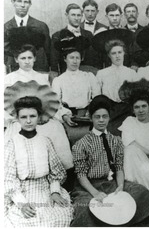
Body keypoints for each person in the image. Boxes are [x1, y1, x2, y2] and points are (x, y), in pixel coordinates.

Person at [71, 95, 149, 227]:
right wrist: (95, 193)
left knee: (140, 192)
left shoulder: (115, 141)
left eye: (105, 116)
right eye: (97, 117)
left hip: (112, 183)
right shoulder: (81, 144)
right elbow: (81, 175)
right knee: (85, 208)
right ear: (91, 118)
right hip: (89, 186)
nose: (101, 120)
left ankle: (123, 217)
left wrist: (120, 186)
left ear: (109, 118)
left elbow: (119, 168)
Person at [4, 27, 75, 190]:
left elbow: (51, 101)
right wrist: (10, 118)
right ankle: (22, 182)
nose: (27, 61)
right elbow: (4, 104)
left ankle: (66, 180)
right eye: (23, 58)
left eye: (30, 57)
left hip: (41, 119)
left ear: (35, 58)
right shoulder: (9, 79)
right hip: (18, 120)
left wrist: (63, 114)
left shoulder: (42, 78)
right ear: (16, 59)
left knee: (56, 129)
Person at [4, 96, 73, 227]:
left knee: (60, 216)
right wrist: (21, 203)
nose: (28, 121)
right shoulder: (12, 143)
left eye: (32, 116)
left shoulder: (45, 141)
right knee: (24, 221)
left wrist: (55, 192)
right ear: (17, 119)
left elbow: (56, 172)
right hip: (22, 192)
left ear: (39, 117)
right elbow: (8, 178)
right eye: (24, 117)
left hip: (45, 189)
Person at [52, 32, 101, 145]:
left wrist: (90, 112)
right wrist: (64, 116)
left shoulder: (89, 77)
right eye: (71, 58)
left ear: (81, 59)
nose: (75, 61)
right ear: (65, 59)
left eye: (77, 58)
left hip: (88, 117)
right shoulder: (58, 80)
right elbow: (55, 103)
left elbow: (97, 98)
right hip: (68, 119)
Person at [92, 29, 137, 135]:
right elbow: (97, 96)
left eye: (119, 52)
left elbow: (136, 95)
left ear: (124, 53)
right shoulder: (102, 73)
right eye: (113, 53)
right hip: (110, 111)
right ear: (109, 55)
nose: (117, 56)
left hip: (127, 110)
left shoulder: (131, 73)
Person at [4, 0, 51, 72]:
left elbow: (48, 51)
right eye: (19, 1)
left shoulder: (41, 26)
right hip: (15, 71)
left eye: (26, 2)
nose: (22, 5)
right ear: (13, 2)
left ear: (30, 4)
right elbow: (4, 53)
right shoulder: (5, 28)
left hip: (38, 70)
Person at [50, 3, 98, 73]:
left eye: (78, 15)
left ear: (82, 16)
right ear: (67, 15)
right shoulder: (57, 36)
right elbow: (54, 62)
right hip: (66, 76)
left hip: (86, 75)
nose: (76, 18)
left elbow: (93, 58)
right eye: (73, 15)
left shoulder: (88, 35)